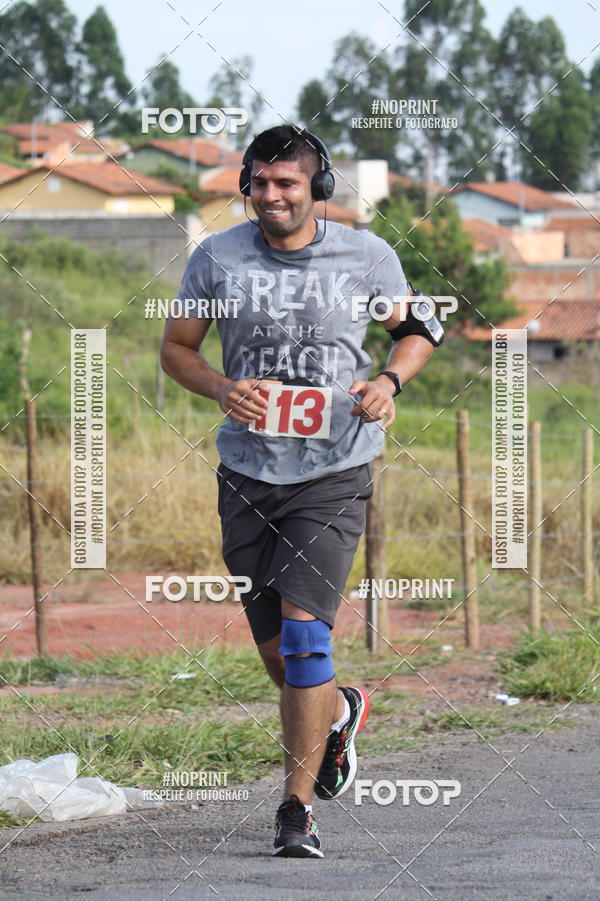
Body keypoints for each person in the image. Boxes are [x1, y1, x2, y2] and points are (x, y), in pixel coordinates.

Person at [160, 124, 440, 858]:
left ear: (317, 188)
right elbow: (176, 351)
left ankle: (295, 808)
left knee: (307, 635)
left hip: (334, 470)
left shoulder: (365, 255)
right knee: (284, 659)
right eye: (260, 181)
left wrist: (387, 381)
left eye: (288, 182)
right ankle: (342, 709)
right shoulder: (216, 257)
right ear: (245, 184)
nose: (272, 195)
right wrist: (223, 388)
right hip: (248, 472)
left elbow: (417, 328)